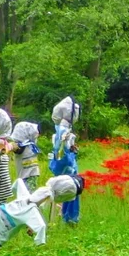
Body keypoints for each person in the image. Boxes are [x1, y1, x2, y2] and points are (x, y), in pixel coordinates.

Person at [0, 175, 84, 256]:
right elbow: (41, 227)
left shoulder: (26, 197)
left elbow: (18, 182)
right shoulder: (33, 212)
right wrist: (39, 240)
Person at [48, 96, 82, 225]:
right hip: (68, 167)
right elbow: (63, 148)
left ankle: (66, 216)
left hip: (64, 165)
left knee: (64, 190)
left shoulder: (60, 128)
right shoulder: (64, 129)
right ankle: (70, 218)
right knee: (70, 190)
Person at [10, 121, 41, 193]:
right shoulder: (25, 146)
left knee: (27, 193)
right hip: (25, 175)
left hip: (30, 174)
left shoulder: (29, 146)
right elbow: (14, 147)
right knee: (25, 192)